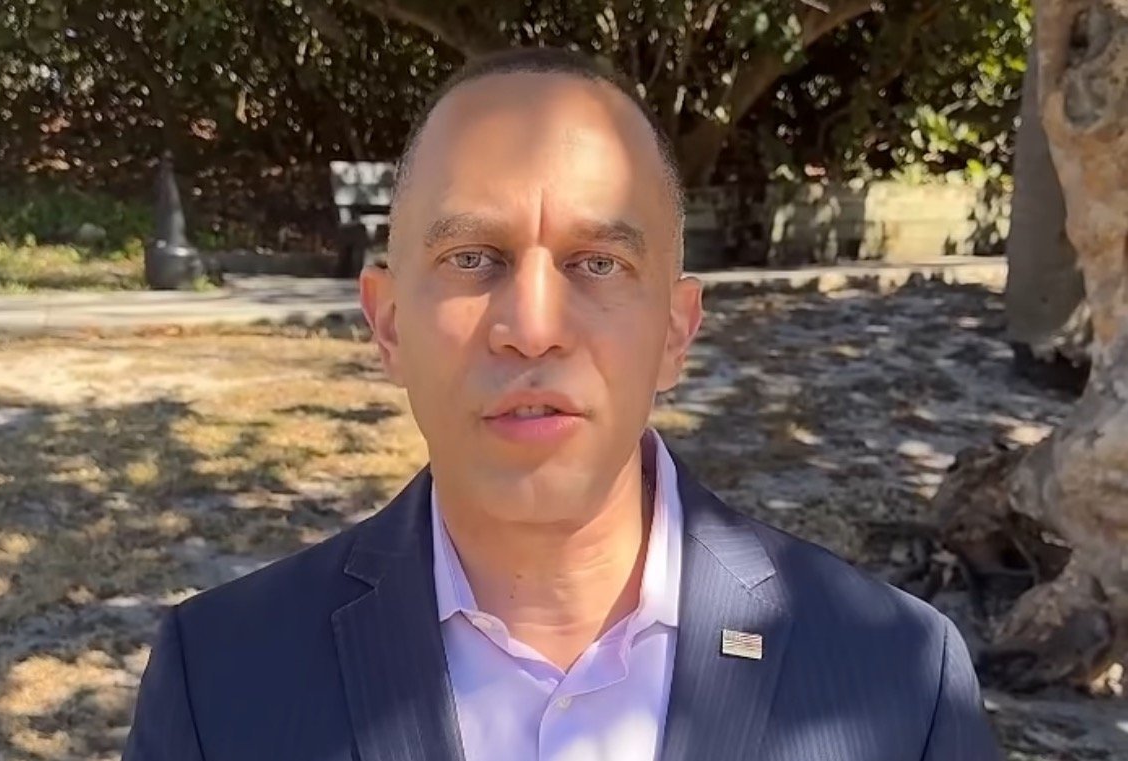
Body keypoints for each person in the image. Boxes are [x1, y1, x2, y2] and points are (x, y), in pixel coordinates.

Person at [123, 47, 1003, 761]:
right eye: (472, 258)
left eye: (598, 263)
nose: (532, 327)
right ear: (387, 324)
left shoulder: (896, 679)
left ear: (674, 329)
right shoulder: (223, 679)